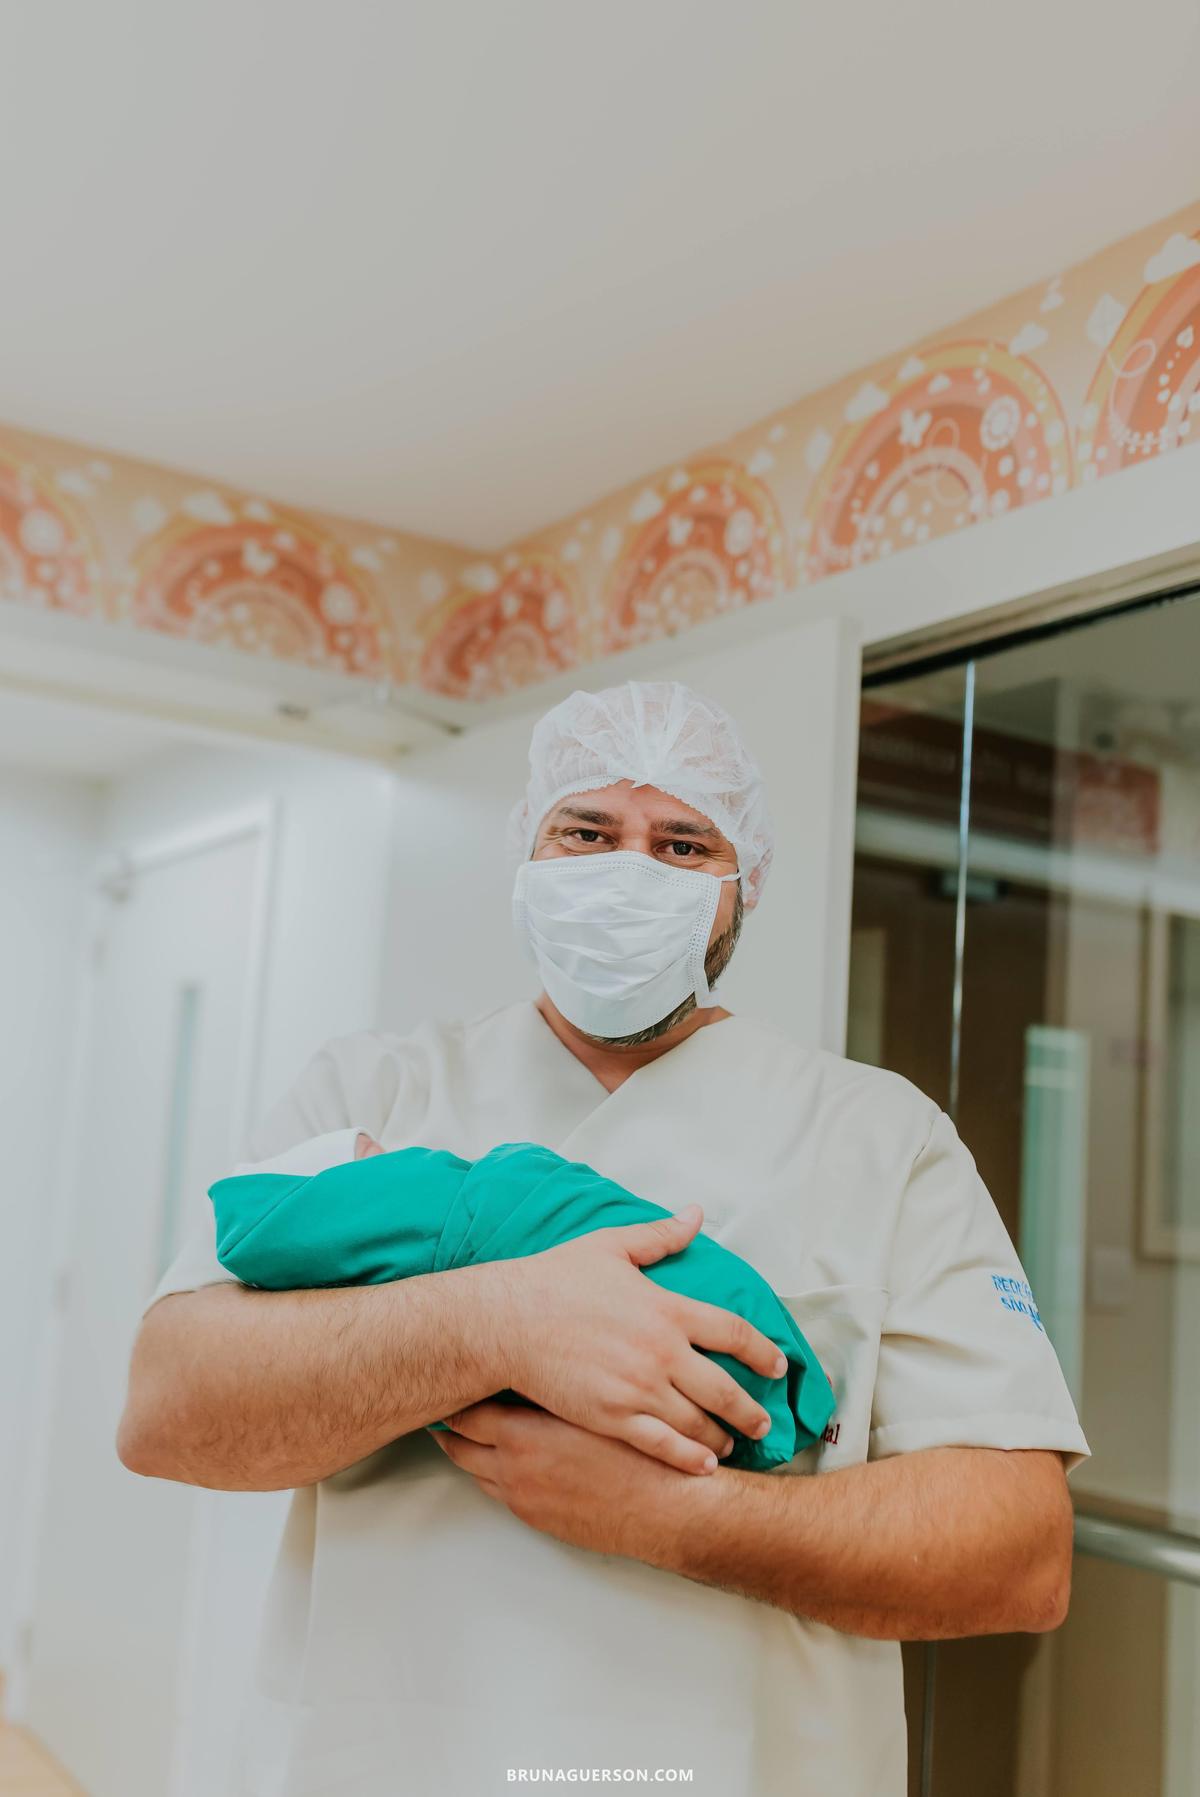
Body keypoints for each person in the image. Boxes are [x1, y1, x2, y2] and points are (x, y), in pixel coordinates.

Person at [118, 678, 1088, 1797]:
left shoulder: (880, 1138)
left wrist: (682, 1517)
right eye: (587, 831)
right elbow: (169, 1410)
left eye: (683, 843)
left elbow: (1020, 1554)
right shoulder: (374, 1092)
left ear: (745, 887)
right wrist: (502, 1321)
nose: (628, 871)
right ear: (528, 857)